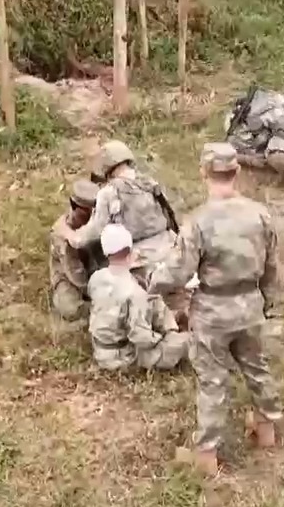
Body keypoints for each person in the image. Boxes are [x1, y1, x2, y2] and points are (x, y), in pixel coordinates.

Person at [149, 142, 284, 476]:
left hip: (213, 311)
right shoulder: (259, 214)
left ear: (203, 173)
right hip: (250, 305)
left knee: (212, 381)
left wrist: (153, 282)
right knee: (257, 367)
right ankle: (266, 429)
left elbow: (179, 271)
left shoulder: (198, 222)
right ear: (237, 171)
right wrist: (268, 301)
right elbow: (271, 266)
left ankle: (207, 454)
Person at [54, 139, 190, 326]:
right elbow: (172, 217)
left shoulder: (109, 193)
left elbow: (86, 237)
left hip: (139, 262)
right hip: (170, 251)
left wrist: (66, 232)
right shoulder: (150, 183)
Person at [87, 224, 190, 371]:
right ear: (130, 249)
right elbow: (140, 337)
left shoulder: (96, 278)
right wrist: (161, 339)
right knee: (185, 342)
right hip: (124, 357)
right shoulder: (134, 291)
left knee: (153, 301)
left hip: (101, 350)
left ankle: (172, 324)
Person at [49, 179, 107, 322]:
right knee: (71, 308)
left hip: (94, 268)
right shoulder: (62, 236)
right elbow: (76, 276)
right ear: (75, 208)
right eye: (86, 214)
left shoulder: (96, 223)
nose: (91, 219)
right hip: (69, 278)